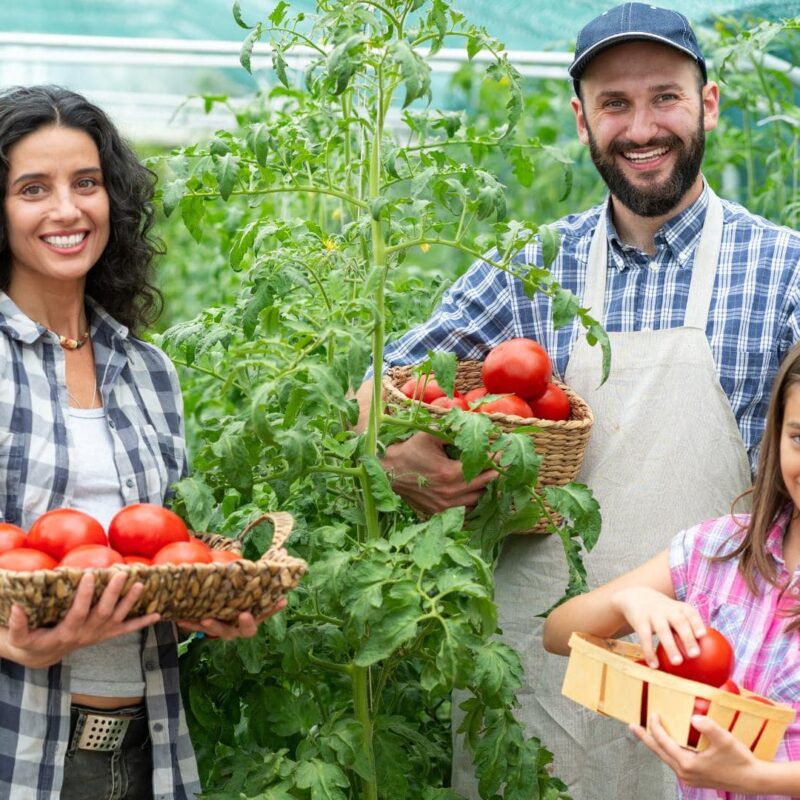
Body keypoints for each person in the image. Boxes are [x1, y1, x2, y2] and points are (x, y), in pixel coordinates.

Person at [354, 4, 800, 799]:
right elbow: (381, 383)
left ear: (710, 103)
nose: (641, 127)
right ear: (582, 119)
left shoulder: (784, 269)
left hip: (724, 681)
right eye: (614, 104)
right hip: (547, 667)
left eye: (664, 96)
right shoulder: (528, 269)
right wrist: (398, 454)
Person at [0, 85, 285, 800]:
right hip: (16, 748)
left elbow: (155, 559)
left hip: (144, 751)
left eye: (86, 183)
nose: (67, 210)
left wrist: (205, 605)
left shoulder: (148, 372)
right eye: (34, 188)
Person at [542, 338, 800, 799]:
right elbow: (559, 635)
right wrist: (628, 599)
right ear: (776, 434)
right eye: (799, 438)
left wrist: (754, 779)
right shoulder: (721, 550)